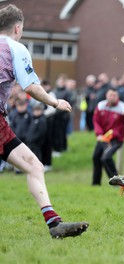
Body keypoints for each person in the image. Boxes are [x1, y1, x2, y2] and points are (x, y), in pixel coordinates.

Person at [0, 4, 88, 238]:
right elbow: (31, 86)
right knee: (33, 166)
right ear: (17, 28)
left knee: (34, 165)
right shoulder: (15, 48)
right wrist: (55, 102)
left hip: (2, 124)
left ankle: (54, 224)